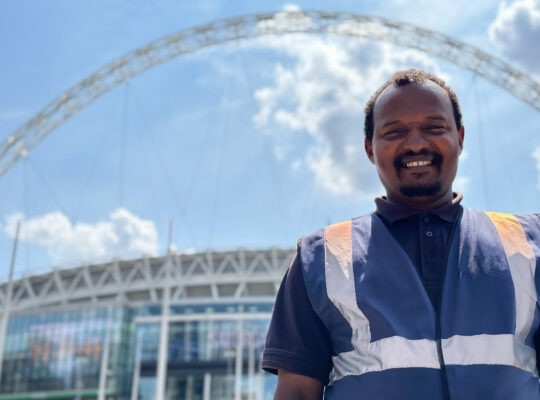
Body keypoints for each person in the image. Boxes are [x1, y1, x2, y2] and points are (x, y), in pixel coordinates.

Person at [261, 69, 540, 399]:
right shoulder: (320, 258)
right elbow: (296, 392)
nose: (416, 143)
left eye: (433, 128)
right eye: (395, 132)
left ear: (460, 137)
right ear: (370, 148)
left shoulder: (528, 243)